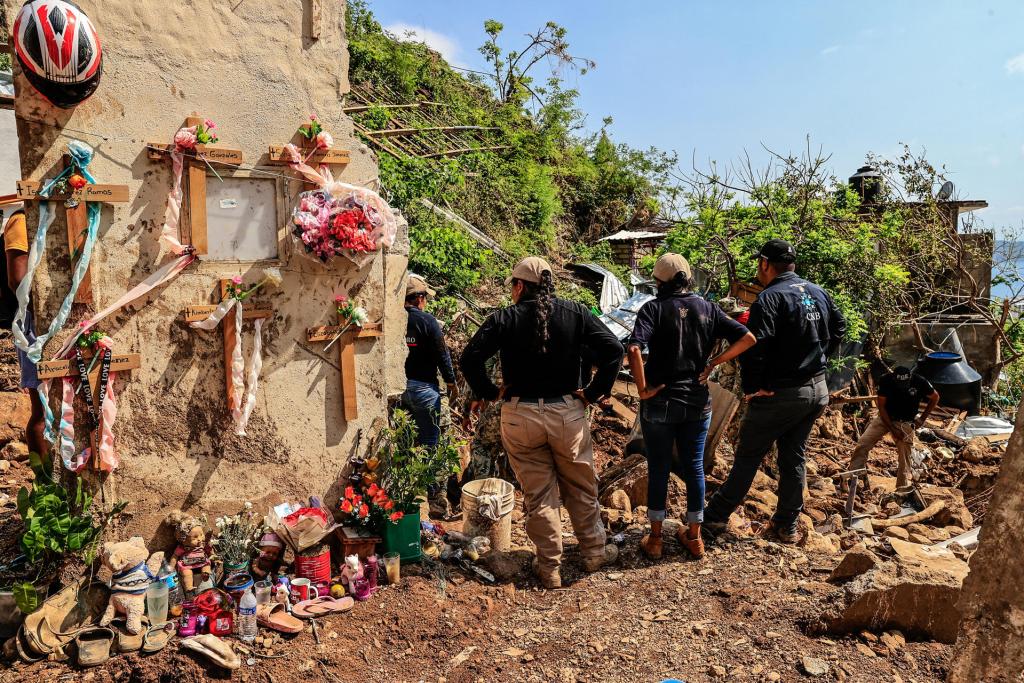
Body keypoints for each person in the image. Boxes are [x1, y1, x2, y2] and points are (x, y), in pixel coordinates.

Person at [461, 256, 623, 588]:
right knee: (580, 484)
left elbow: (470, 358)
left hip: (520, 417)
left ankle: (549, 567)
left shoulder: (504, 318)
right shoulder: (576, 312)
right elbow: (613, 350)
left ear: (519, 286)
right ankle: (594, 552)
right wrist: (593, 393)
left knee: (538, 492)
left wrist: (490, 391)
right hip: (567, 414)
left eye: (512, 287)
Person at [704, 239, 846, 543]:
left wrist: (755, 388)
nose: (758, 268)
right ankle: (786, 526)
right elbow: (840, 328)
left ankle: (712, 519)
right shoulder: (817, 291)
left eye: (759, 263)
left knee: (748, 457)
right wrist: (818, 361)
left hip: (780, 394)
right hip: (816, 391)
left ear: (766, 264)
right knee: (793, 457)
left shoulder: (769, 298)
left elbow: (754, 347)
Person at [626, 253, 756, 560]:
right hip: (697, 403)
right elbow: (748, 338)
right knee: (694, 466)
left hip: (660, 403)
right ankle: (695, 538)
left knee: (658, 467)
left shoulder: (653, 309)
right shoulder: (708, 308)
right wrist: (714, 362)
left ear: (660, 282)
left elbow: (633, 348)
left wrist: (643, 390)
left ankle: (656, 540)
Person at [402, 274, 457, 517]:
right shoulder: (427, 321)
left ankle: (406, 495)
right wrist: (451, 381)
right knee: (434, 443)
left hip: (401, 391)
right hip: (425, 390)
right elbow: (441, 355)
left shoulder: (395, 320)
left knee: (406, 441)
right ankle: (436, 503)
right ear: (420, 298)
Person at [848, 365, 939, 490]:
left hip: (905, 422)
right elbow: (881, 406)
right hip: (885, 418)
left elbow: (935, 397)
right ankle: (854, 476)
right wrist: (892, 428)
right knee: (863, 442)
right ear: (894, 378)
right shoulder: (886, 380)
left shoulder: (920, 381)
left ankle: (902, 488)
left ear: (910, 378)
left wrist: (922, 418)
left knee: (904, 455)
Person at [3, 208, 48, 457]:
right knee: (41, 410)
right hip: (33, 322)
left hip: (48, 322)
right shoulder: (21, 220)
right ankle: (46, 486)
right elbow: (17, 280)